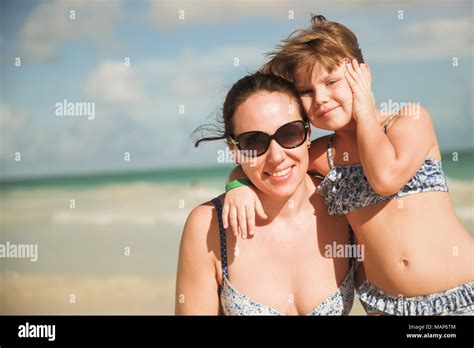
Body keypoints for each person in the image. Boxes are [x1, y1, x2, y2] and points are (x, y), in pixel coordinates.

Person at [222, 15, 474, 315]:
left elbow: (384, 177)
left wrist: (365, 110)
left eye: (331, 82)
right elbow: (269, 164)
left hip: (463, 296)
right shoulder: (323, 154)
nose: (322, 98)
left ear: (363, 74)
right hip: (387, 308)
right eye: (306, 91)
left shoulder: (408, 121)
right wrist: (238, 186)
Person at [175, 72, 358, 315]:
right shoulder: (208, 225)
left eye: (289, 134)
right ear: (234, 149)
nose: (276, 156)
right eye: (254, 142)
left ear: (307, 135)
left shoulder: (346, 204)